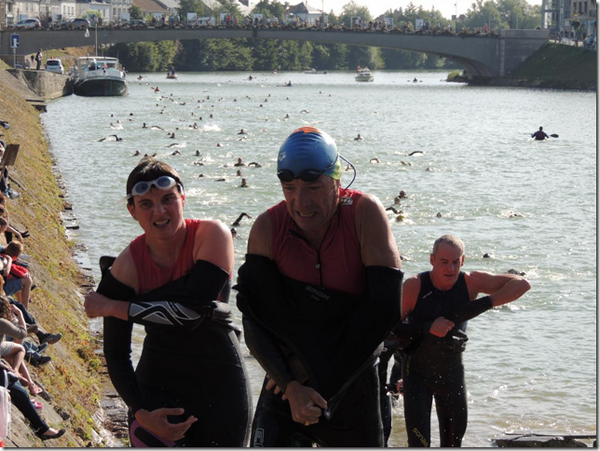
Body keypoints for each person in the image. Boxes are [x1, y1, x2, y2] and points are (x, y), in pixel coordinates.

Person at [236, 127, 403, 447]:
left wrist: (314, 380)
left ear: (337, 181)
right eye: (289, 187)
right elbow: (254, 319)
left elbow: (383, 313)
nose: (301, 202)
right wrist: (289, 385)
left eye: (313, 187)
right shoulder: (267, 228)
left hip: (352, 379)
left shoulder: (365, 214)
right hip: (288, 384)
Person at [83, 157, 251, 446]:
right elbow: (116, 353)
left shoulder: (212, 235)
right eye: (146, 204)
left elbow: (192, 310)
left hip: (221, 382)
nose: (159, 211)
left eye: (167, 199)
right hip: (157, 388)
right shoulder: (127, 268)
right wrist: (140, 411)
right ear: (132, 211)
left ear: (183, 198)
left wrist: (115, 307)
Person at [396, 234, 531, 447]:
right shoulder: (414, 286)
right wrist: (427, 327)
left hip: (452, 377)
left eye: (455, 262)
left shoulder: (470, 282)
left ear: (463, 261)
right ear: (432, 260)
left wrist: (473, 308)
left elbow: (522, 285)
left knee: (453, 444)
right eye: (443, 262)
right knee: (419, 444)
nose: (450, 269)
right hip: (417, 377)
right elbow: (387, 330)